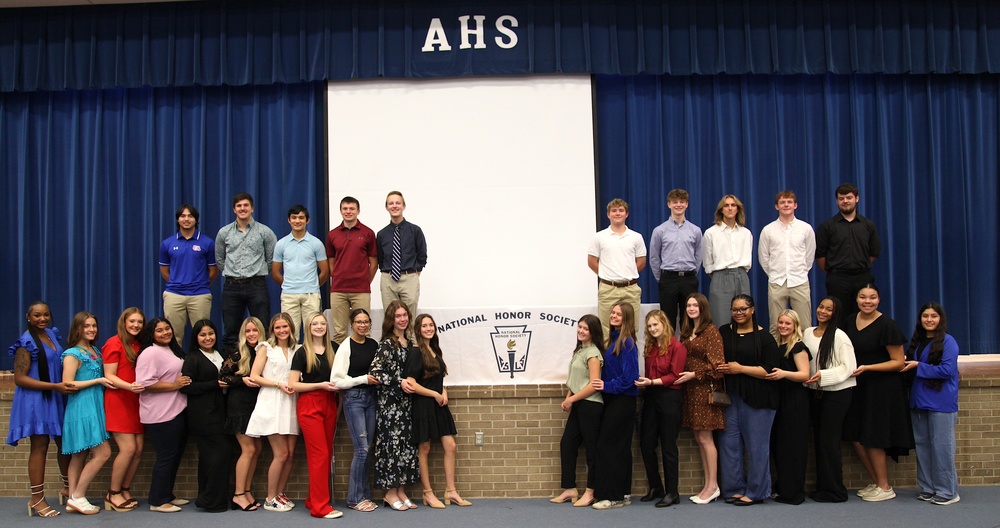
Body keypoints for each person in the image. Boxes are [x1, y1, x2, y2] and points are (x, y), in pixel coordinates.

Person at [843, 284, 913, 502]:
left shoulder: (888, 325)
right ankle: (877, 483)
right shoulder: (849, 321)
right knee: (856, 435)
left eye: (872, 297)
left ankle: (885, 486)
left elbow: (898, 362)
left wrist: (869, 368)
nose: (867, 301)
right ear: (856, 299)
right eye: (863, 297)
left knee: (874, 436)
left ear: (879, 299)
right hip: (858, 386)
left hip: (882, 388)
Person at [8, 301, 74, 518]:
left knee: (64, 443)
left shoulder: (51, 334)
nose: (42, 319)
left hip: (55, 396)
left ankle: (68, 489)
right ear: (28, 317)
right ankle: (36, 499)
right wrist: (54, 386)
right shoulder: (26, 342)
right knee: (40, 446)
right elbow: (19, 379)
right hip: (36, 399)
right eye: (37, 315)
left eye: (46, 314)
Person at [715, 294, 781, 506]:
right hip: (731, 398)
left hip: (759, 399)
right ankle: (734, 488)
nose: (739, 313)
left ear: (752, 310)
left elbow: (770, 371)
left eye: (743, 309)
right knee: (729, 444)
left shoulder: (765, 338)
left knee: (757, 447)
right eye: (735, 309)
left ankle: (756, 492)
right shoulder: (724, 332)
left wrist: (740, 369)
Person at [404, 314, 472, 508]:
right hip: (423, 405)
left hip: (439, 405)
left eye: (431, 325)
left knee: (450, 446)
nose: (428, 329)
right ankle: (428, 493)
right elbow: (411, 383)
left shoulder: (435, 349)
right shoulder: (415, 352)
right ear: (418, 330)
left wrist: (443, 392)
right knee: (424, 448)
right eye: (424, 326)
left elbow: (438, 379)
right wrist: (434, 394)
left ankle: (451, 491)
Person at [901, 302, 960, 505]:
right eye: (925, 316)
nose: (929, 320)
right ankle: (928, 487)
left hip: (941, 402)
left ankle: (948, 491)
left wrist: (918, 366)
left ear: (940, 319)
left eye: (933, 316)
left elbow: (947, 371)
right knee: (923, 447)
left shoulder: (949, 342)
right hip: (918, 401)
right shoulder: (917, 341)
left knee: (942, 447)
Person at [288, 313, 343, 519]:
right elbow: (293, 384)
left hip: (330, 402)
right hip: (310, 403)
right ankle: (320, 507)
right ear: (308, 328)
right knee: (319, 455)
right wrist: (319, 385)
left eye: (322, 323)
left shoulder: (334, 348)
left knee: (326, 454)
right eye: (315, 324)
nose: (319, 327)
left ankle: (314, 499)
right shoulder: (302, 352)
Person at [370, 300, 423, 511]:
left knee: (405, 448)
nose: (402, 319)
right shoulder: (386, 344)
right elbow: (376, 372)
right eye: (398, 316)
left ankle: (401, 490)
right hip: (389, 406)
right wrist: (398, 381)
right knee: (391, 448)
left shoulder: (409, 344)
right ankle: (389, 493)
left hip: (406, 404)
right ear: (391, 319)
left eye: (405, 315)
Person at [802, 297, 856, 503]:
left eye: (829, 309)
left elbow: (849, 367)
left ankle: (835, 490)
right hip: (815, 393)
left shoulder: (840, 336)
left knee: (829, 441)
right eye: (821, 307)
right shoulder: (808, 332)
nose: (823, 311)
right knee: (819, 440)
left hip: (837, 394)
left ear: (836, 313)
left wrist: (823, 376)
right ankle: (823, 487)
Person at [135, 317, 191, 513]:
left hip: (176, 410)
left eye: (167, 328)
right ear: (151, 334)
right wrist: (174, 385)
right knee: (166, 457)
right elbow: (145, 383)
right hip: (160, 414)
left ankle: (167, 494)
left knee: (174, 455)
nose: (165, 332)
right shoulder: (150, 353)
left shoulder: (172, 349)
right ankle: (157, 501)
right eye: (159, 330)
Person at [245, 313, 300, 512]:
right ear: (272, 330)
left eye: (285, 326)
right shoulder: (265, 348)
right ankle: (270, 498)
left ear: (291, 327)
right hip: (271, 402)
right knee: (281, 453)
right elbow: (254, 376)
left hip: (291, 403)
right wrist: (278, 384)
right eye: (278, 327)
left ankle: (279, 493)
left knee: (290, 454)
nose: (282, 330)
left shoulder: (298, 349)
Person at [61, 312, 113, 515]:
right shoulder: (72, 353)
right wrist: (97, 381)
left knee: (79, 455)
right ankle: (78, 496)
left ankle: (72, 498)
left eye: (94, 326)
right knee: (103, 453)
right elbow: (68, 383)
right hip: (82, 407)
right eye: (86, 326)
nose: (91, 329)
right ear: (77, 329)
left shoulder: (95, 350)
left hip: (95, 405)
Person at [675, 293, 725, 504]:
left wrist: (694, 374)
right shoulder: (686, 333)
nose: (691, 308)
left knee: (706, 438)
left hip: (705, 390)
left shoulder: (711, 331)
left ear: (703, 308)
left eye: (695, 305)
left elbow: (718, 367)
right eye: (688, 305)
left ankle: (713, 485)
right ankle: (707, 485)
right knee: (699, 438)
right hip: (690, 391)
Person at [550, 314, 604, 507]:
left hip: (591, 405)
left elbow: (594, 385)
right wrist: (569, 397)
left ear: (593, 332)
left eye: (585, 328)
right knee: (567, 444)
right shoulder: (580, 350)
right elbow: (575, 380)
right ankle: (570, 489)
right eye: (580, 327)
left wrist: (572, 399)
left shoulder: (593, 354)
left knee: (592, 449)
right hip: (579, 403)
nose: (581, 331)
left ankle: (591, 491)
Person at [634, 310, 687, 508]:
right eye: (649, 326)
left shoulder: (677, 347)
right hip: (651, 397)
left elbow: (675, 375)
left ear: (664, 324)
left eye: (656, 324)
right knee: (646, 443)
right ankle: (656, 487)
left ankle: (673, 492)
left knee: (668, 446)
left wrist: (652, 382)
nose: (652, 329)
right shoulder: (650, 347)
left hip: (669, 397)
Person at [330, 308, 380, 512]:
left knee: (368, 449)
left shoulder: (373, 345)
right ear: (351, 324)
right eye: (358, 322)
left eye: (365, 322)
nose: (362, 325)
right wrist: (363, 379)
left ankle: (364, 495)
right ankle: (354, 498)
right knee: (361, 450)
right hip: (354, 399)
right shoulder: (345, 347)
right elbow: (336, 381)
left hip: (371, 398)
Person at [591, 303, 640, 510]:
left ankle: (613, 496)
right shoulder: (612, 340)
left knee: (608, 447)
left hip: (622, 400)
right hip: (614, 399)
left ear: (626, 318)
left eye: (619, 314)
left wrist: (606, 385)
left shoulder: (627, 342)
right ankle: (623, 493)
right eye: (613, 313)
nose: (614, 316)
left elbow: (631, 377)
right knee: (620, 448)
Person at [180, 319, 232, 512]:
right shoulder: (193, 358)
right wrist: (214, 384)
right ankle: (212, 500)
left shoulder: (221, 354)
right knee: (218, 455)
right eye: (203, 335)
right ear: (196, 337)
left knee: (212, 459)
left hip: (220, 413)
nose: (207, 338)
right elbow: (186, 387)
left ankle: (209, 498)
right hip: (203, 416)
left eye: (211, 333)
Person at [216, 192, 277, 348]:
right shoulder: (224, 232)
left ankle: (262, 361)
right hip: (231, 286)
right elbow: (220, 259)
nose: (242, 208)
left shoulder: (265, 232)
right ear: (234, 209)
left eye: (246, 205)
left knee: (262, 329)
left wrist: (258, 273)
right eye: (239, 206)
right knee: (231, 331)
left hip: (257, 285)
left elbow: (271, 259)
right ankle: (232, 362)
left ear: (252, 208)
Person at [763, 310, 811, 505]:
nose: (783, 326)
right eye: (781, 322)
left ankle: (794, 493)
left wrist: (784, 373)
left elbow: (805, 375)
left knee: (792, 446)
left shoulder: (797, 347)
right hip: (780, 400)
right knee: (780, 446)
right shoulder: (776, 345)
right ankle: (782, 487)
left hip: (795, 401)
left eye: (788, 323)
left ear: (795, 326)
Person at [101, 308, 146, 512]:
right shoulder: (114, 343)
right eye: (132, 321)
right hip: (119, 400)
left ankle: (124, 489)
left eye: (139, 322)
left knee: (138, 449)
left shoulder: (139, 345)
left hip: (136, 401)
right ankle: (113, 493)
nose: (136, 325)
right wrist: (129, 386)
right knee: (127, 449)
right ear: (124, 322)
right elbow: (109, 375)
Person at [815, 183, 881, 319]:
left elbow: (874, 252)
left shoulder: (868, 225)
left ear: (857, 199)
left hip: (863, 277)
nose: (845, 201)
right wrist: (834, 271)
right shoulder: (827, 227)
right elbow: (820, 256)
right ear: (837, 201)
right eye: (841, 198)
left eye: (849, 198)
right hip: (837, 279)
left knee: (862, 316)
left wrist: (858, 264)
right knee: (838, 316)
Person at [219, 317, 264, 512]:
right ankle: (238, 494)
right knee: (249, 449)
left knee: (257, 448)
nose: (252, 334)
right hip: (239, 406)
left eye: (255, 330)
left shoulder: (264, 350)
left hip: (258, 405)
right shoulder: (237, 352)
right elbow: (223, 376)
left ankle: (246, 491)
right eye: (248, 331)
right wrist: (242, 380)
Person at [160, 204, 218, 347]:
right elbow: (164, 270)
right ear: (178, 219)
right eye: (183, 216)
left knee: (203, 335)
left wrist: (200, 284)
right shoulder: (167, 243)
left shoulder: (207, 243)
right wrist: (177, 283)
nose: (186, 219)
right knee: (173, 336)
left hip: (200, 295)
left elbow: (213, 271)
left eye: (190, 216)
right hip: (174, 294)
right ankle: (175, 362)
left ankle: (201, 361)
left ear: (196, 219)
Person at [758, 190, 815, 332]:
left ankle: (804, 347)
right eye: (782, 202)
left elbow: (810, 255)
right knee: (776, 325)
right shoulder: (768, 230)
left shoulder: (805, 228)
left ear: (795, 205)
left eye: (789, 202)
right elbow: (763, 257)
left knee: (805, 325)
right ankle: (777, 348)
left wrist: (802, 271)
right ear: (776, 206)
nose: (786, 205)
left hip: (799, 281)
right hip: (776, 282)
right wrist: (773, 273)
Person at [588, 198, 646, 336]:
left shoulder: (636, 237)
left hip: (630, 288)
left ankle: (629, 351)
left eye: (621, 210)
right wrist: (607, 274)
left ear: (627, 214)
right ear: (608, 214)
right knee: (606, 329)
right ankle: (608, 352)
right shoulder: (599, 237)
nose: (617, 213)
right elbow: (591, 261)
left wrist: (626, 273)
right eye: (614, 211)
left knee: (631, 328)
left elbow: (641, 261)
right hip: (608, 289)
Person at [326, 196, 378, 344]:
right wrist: (337, 277)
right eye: (345, 209)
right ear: (340, 211)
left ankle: (364, 359)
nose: (348, 211)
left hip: (361, 290)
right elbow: (331, 261)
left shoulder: (368, 233)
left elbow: (374, 263)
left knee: (363, 330)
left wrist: (364, 281)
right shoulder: (332, 234)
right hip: (338, 290)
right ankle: (340, 360)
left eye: (352, 209)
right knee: (339, 333)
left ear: (358, 211)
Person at [272, 205, 328, 340]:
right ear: (289, 220)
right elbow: (275, 272)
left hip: (311, 294)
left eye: (301, 218)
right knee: (290, 334)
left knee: (314, 333)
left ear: (307, 220)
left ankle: (312, 355)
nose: (297, 221)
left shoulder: (316, 243)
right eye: (294, 218)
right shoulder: (281, 244)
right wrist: (289, 285)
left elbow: (325, 271)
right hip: (289, 295)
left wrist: (312, 285)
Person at [649, 189, 702, 328]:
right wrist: (662, 278)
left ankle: (687, 343)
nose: (678, 205)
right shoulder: (660, 230)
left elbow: (698, 255)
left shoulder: (695, 230)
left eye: (682, 202)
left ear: (687, 204)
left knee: (689, 319)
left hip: (689, 279)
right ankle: (668, 343)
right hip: (668, 279)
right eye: (675, 202)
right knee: (667, 320)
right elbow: (654, 257)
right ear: (669, 204)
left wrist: (692, 273)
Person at [703, 195, 752, 326]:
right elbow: (707, 262)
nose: (730, 208)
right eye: (726, 205)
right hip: (721, 276)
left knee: (744, 320)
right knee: (721, 321)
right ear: (721, 209)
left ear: (737, 209)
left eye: (733, 205)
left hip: (741, 276)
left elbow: (748, 258)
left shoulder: (745, 233)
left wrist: (740, 274)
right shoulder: (711, 233)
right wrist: (718, 277)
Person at [376, 191, 427, 316]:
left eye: (398, 203)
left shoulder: (415, 230)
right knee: (390, 316)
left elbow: (422, 255)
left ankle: (410, 333)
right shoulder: (382, 234)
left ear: (404, 206)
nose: (394, 206)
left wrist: (415, 272)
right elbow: (380, 258)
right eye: (391, 203)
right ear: (386, 207)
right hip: (388, 279)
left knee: (409, 316)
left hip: (409, 278)